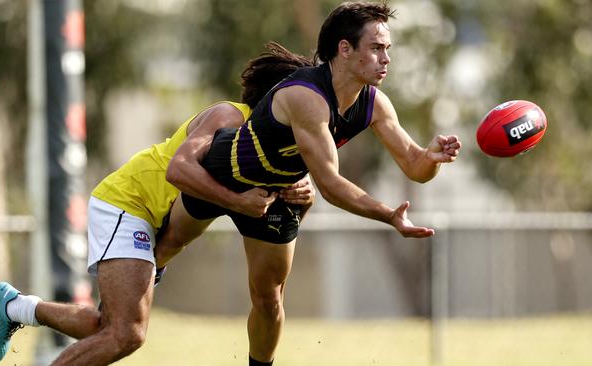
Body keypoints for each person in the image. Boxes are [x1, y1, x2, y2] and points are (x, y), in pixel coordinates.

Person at [157, 2, 462, 365]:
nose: (386, 59)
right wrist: (388, 215)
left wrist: (431, 158)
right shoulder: (307, 97)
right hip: (223, 173)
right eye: (377, 48)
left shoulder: (374, 103)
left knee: (269, 300)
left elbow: (414, 166)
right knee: (166, 246)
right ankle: (118, 317)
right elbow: (330, 185)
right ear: (345, 49)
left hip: (276, 195)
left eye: (388, 49)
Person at [0, 43, 315, 364]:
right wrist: (239, 202)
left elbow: (281, 218)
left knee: (106, 326)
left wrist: (302, 197)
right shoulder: (229, 116)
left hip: (158, 223)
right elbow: (179, 171)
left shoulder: (279, 152)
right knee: (127, 334)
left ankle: (15, 307)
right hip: (129, 203)